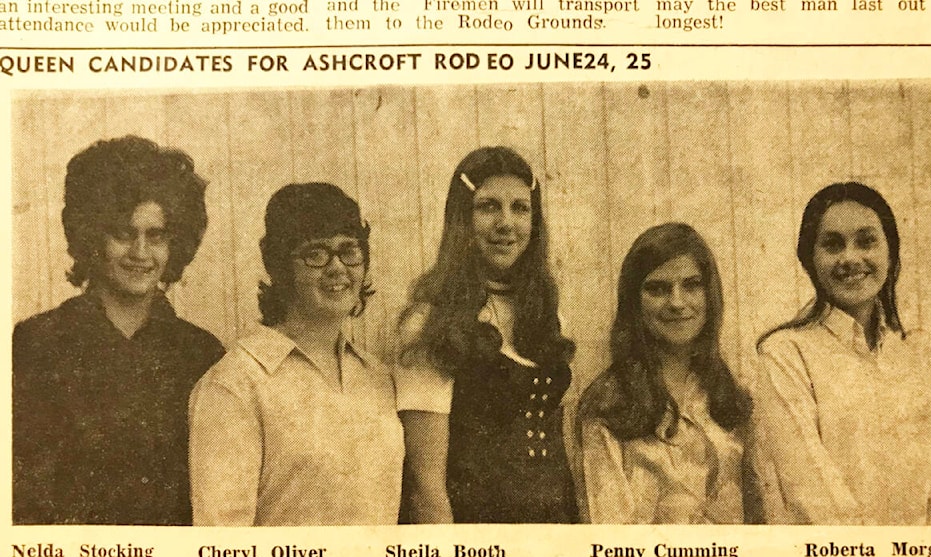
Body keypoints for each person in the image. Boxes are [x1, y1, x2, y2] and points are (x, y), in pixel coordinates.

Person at [12, 135, 224, 525]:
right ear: (91, 238)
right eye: (123, 234)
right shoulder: (35, 344)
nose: (140, 253)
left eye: (156, 235)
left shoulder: (202, 353)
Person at [189, 182, 403, 526]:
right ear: (280, 267)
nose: (337, 268)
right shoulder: (235, 385)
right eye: (316, 254)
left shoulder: (377, 377)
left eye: (349, 251)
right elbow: (223, 540)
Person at [747, 182, 931, 525]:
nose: (849, 258)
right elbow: (812, 494)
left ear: (890, 253)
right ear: (810, 259)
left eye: (866, 241)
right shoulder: (786, 355)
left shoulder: (917, 357)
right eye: (832, 245)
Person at [396, 146, 577, 523]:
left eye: (520, 208)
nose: (506, 223)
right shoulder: (430, 322)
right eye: (488, 207)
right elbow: (425, 484)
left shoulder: (545, 314)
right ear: (461, 218)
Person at [577, 223, 752, 524]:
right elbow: (610, 533)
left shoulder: (732, 397)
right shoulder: (608, 405)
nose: (677, 302)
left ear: (710, 296)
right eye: (658, 289)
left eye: (691, 285)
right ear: (634, 302)